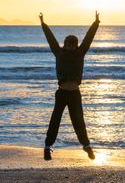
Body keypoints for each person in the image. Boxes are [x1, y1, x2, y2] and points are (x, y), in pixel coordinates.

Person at [39, 11, 100, 160]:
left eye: (74, 44)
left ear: (76, 45)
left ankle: (87, 146)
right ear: (65, 44)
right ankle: (47, 147)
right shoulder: (58, 53)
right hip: (61, 93)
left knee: (79, 121)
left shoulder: (80, 53)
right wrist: (43, 24)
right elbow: (51, 39)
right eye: (69, 44)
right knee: (55, 120)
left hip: (75, 93)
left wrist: (96, 23)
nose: (72, 47)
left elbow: (88, 39)